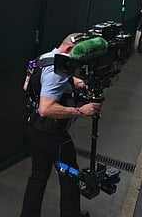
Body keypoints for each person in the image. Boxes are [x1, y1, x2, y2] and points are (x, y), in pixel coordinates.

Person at [21, 33, 102, 217]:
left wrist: (75, 81)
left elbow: (49, 78)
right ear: (68, 50)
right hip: (53, 134)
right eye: (77, 57)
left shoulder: (46, 58)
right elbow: (46, 108)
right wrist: (81, 110)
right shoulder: (57, 72)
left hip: (33, 127)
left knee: (38, 175)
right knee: (70, 175)